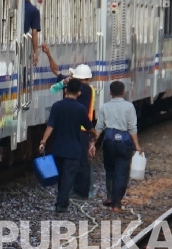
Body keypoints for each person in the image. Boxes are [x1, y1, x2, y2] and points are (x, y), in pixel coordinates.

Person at [42, 43, 96, 199]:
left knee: (72, 161)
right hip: (83, 131)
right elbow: (57, 71)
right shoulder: (89, 89)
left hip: (72, 129)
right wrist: (49, 54)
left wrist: (49, 55)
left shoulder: (81, 88)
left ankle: (72, 190)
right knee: (81, 161)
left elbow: (56, 72)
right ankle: (79, 191)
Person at [39, 79, 98, 212]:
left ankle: (61, 201)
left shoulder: (57, 106)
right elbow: (89, 127)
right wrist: (95, 135)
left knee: (61, 175)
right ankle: (61, 204)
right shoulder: (81, 109)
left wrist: (43, 141)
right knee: (68, 176)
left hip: (58, 148)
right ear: (78, 93)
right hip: (74, 148)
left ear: (65, 90)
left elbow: (50, 126)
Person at [93, 80, 143, 213]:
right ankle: (116, 203)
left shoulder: (104, 107)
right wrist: (137, 145)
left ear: (110, 93)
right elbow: (132, 128)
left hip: (109, 141)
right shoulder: (129, 107)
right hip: (124, 143)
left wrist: (92, 143)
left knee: (110, 170)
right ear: (123, 92)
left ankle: (110, 197)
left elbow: (98, 128)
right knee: (122, 172)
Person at [23, 0, 41, 64]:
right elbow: (34, 33)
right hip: (22, 47)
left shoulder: (17, 6)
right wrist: (35, 52)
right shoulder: (34, 10)